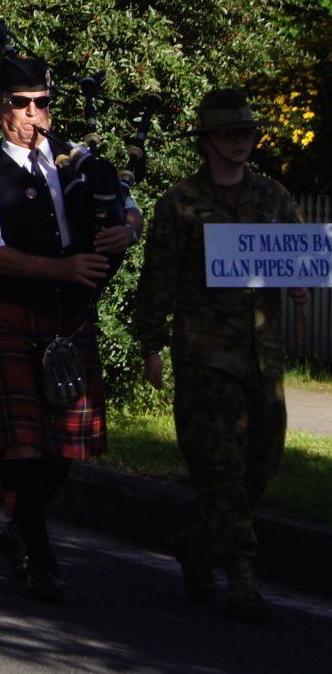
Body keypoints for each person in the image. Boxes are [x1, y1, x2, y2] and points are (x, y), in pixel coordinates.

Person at [0, 54, 139, 601]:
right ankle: (40, 549)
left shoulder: (76, 162)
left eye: (42, 103)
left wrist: (126, 229)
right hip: (11, 313)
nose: (32, 115)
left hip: (70, 317)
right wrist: (61, 268)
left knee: (62, 448)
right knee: (25, 443)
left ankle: (17, 530)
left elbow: (127, 207)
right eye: (20, 104)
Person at [136, 88, 303, 624]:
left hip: (263, 357)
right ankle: (244, 579)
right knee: (221, 472)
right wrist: (151, 346)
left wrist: (300, 285)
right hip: (205, 357)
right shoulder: (180, 203)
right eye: (230, 134)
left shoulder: (275, 197)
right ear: (208, 142)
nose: (241, 142)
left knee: (262, 465)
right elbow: (156, 281)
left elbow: (295, 260)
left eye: (247, 133)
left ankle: (196, 546)